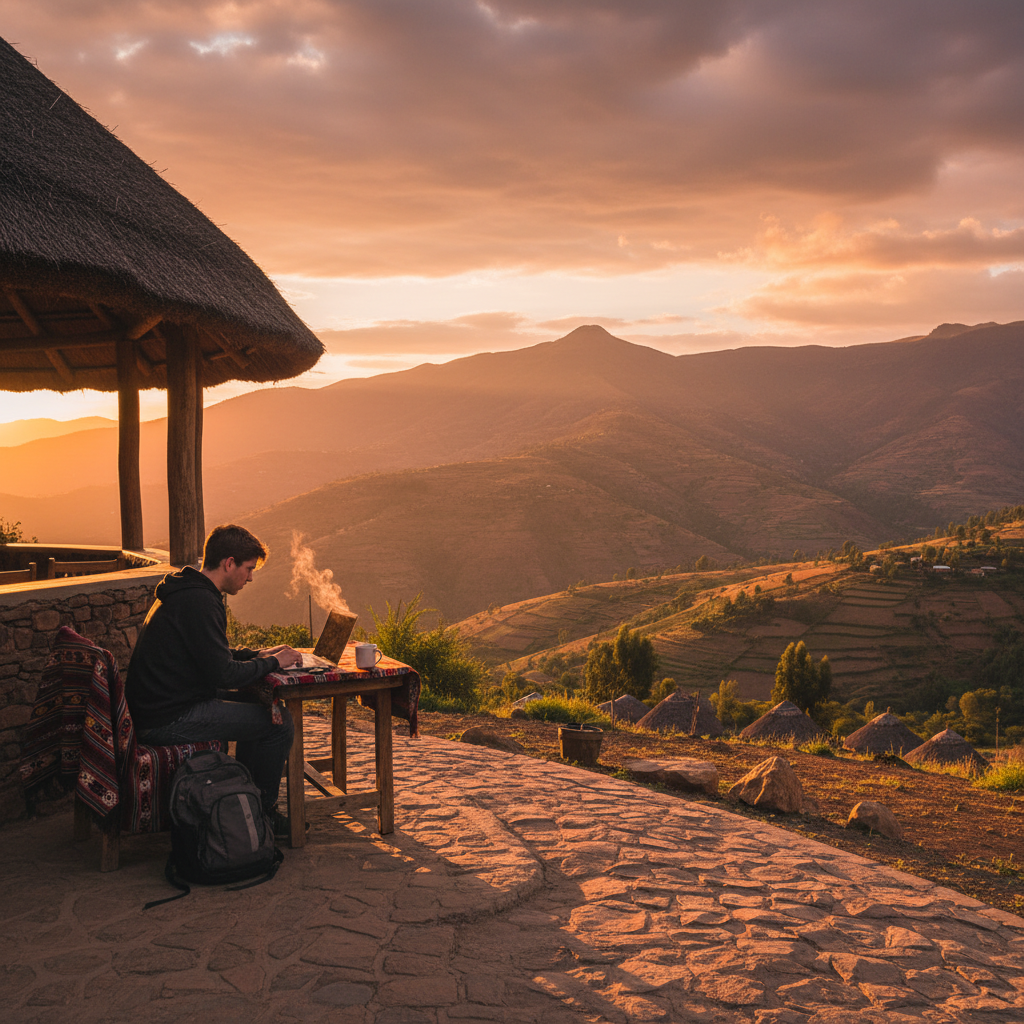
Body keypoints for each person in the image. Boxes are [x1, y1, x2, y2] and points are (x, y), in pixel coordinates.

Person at [126, 524, 301, 835]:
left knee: (257, 703)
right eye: (248, 569)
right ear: (229, 563)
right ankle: (261, 811)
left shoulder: (189, 591)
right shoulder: (201, 602)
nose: (250, 578)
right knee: (279, 722)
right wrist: (274, 662)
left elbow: (212, 654)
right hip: (167, 718)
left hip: (166, 704)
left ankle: (248, 800)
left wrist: (258, 653)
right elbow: (223, 673)